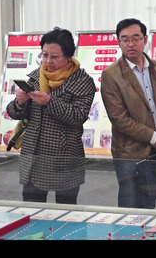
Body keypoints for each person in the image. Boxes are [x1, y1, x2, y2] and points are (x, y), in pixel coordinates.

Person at [6, 27, 96, 204]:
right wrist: (19, 102)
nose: (48, 61)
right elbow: (13, 113)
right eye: (44, 55)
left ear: (68, 56)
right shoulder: (36, 77)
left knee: (66, 210)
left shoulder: (82, 81)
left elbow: (78, 116)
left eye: (54, 56)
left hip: (64, 156)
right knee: (31, 207)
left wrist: (49, 101)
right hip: (34, 155)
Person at [101, 18, 156, 209]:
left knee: (150, 203)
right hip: (129, 152)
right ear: (118, 42)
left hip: (155, 150)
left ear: (145, 39)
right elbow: (119, 118)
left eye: (135, 38)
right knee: (129, 204)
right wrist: (152, 136)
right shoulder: (111, 74)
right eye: (125, 39)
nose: (130, 44)